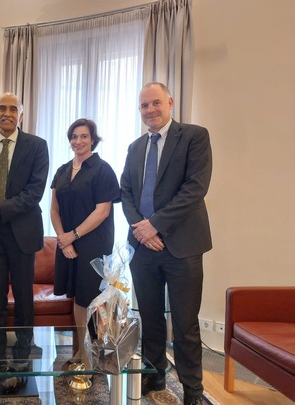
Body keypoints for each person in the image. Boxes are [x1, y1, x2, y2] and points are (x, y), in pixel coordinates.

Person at [120, 82, 212, 405]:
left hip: (182, 246)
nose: (150, 110)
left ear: (170, 102)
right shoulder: (134, 148)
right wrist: (142, 231)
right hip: (143, 249)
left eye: (155, 103)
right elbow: (126, 193)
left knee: (185, 323)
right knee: (150, 316)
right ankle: (154, 373)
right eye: (144, 106)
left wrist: (155, 226)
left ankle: (192, 390)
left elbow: (195, 189)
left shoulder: (194, 137)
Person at [0, 92, 49, 360]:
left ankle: (22, 353)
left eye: (13, 108)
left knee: (22, 295)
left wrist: (1, 208)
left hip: (22, 231)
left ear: (21, 115)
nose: (7, 113)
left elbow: (34, 192)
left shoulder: (37, 145)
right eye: (2, 108)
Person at [50, 118, 120, 370]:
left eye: (84, 136)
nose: (78, 141)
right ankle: (80, 352)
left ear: (93, 139)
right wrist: (63, 239)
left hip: (93, 245)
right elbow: (54, 209)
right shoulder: (62, 170)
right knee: (76, 299)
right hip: (68, 244)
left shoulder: (103, 170)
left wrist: (73, 236)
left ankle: (92, 359)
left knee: (90, 301)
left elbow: (102, 212)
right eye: (74, 136)